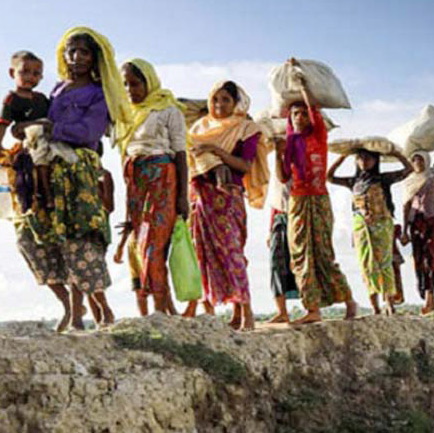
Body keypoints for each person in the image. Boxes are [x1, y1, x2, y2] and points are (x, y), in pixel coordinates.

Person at [15, 27, 131, 330]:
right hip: (47, 173)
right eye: (71, 51)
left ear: (95, 58)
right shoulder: (56, 90)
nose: (76, 57)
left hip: (79, 172)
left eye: (83, 52)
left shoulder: (98, 93)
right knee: (33, 236)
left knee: (79, 240)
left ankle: (92, 312)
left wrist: (49, 128)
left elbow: (89, 132)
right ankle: (68, 306)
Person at [274, 58, 357, 324]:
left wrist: (301, 82)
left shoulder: (318, 134)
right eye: (294, 113)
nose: (299, 117)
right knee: (299, 253)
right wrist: (278, 153)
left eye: (302, 113)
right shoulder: (289, 142)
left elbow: (313, 106)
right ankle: (312, 309)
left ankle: (348, 301)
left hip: (319, 199)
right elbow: (283, 176)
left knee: (323, 252)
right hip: (297, 200)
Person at [185, 80, 267, 331]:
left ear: (236, 103)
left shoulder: (246, 128)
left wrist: (215, 151)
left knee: (233, 254)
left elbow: (244, 166)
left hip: (229, 197)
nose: (219, 105)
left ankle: (246, 313)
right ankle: (209, 313)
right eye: (215, 100)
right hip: (202, 198)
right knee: (203, 253)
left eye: (225, 100)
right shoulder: (199, 128)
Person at [117, 58, 189, 316]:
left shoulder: (168, 110)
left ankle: (160, 310)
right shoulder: (126, 115)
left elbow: (181, 154)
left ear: (148, 81)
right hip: (136, 182)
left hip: (162, 178)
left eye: (135, 84)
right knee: (139, 244)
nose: (129, 90)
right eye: (124, 84)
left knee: (154, 245)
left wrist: (183, 196)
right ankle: (163, 310)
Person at [328, 148, 413, 315]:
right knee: (366, 264)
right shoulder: (353, 182)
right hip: (361, 227)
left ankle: (389, 302)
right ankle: (374, 305)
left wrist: (397, 154)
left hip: (381, 224)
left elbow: (408, 170)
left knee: (384, 262)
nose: (364, 161)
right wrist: (342, 157)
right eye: (360, 158)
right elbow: (329, 177)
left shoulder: (383, 179)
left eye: (368, 158)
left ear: (376, 160)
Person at [401, 137, 434, 315]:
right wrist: (403, 231)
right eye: (414, 159)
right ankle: (424, 291)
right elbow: (406, 205)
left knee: (433, 258)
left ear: (426, 160)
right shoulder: (410, 181)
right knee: (418, 260)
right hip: (417, 222)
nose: (417, 162)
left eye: (420, 159)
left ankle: (430, 297)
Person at [1, 51, 54, 209]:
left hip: (49, 137)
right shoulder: (12, 99)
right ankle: (46, 194)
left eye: (36, 74)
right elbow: (3, 124)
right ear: (12, 73)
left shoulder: (41, 99)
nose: (30, 77)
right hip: (32, 141)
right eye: (25, 72)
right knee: (38, 158)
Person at [265, 172, 300, 324]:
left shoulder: (301, 168)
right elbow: (275, 202)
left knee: (301, 264)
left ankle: (312, 309)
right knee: (276, 264)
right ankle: (282, 312)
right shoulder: (277, 171)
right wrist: (270, 228)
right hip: (279, 220)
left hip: (298, 217)